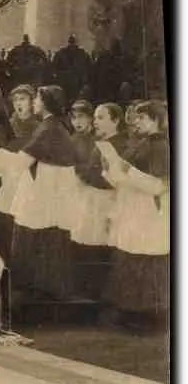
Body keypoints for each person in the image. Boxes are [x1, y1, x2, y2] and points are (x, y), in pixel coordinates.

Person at [0, 85, 79, 303]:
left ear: (46, 103)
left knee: (32, 238)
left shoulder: (47, 128)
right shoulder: (55, 126)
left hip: (42, 192)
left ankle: (30, 290)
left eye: (37, 99)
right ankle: (44, 288)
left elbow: (21, 163)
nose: (34, 102)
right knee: (48, 239)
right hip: (49, 190)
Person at [101, 100, 170, 332]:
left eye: (143, 117)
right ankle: (131, 313)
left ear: (157, 120)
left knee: (146, 262)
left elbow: (159, 186)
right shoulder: (140, 144)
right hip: (133, 210)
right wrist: (109, 168)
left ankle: (149, 317)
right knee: (131, 260)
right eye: (136, 117)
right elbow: (123, 181)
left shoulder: (161, 147)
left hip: (150, 212)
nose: (136, 121)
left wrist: (126, 168)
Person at [70, 103, 127, 298]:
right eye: (95, 118)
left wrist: (81, 174)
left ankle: (101, 293)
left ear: (116, 121)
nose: (95, 122)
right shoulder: (101, 142)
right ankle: (93, 290)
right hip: (94, 198)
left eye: (101, 118)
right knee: (90, 243)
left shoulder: (119, 145)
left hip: (107, 200)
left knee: (102, 244)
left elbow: (110, 178)